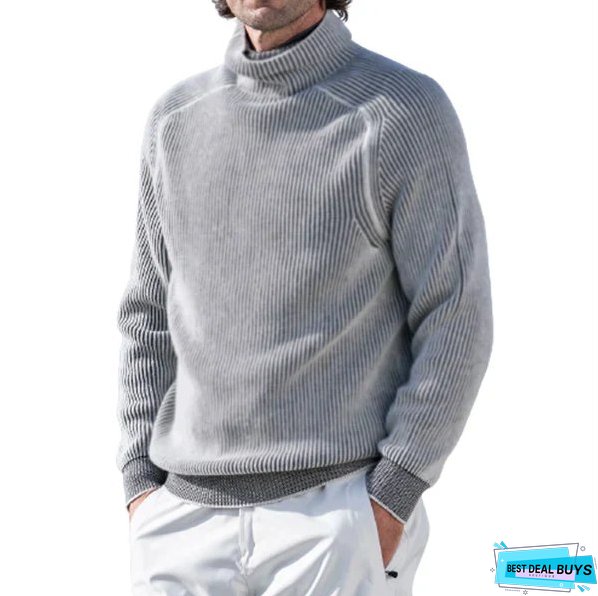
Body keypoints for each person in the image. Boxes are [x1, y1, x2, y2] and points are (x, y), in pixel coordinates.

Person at [115, 0, 494, 594]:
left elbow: (457, 312)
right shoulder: (175, 120)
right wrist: (140, 482)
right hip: (181, 523)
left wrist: (391, 497)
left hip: (333, 518)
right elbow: (147, 315)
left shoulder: (402, 111)